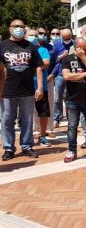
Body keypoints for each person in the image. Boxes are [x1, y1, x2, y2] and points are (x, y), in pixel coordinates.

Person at [0, 19, 43, 161]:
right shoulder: (2, 46)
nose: (19, 28)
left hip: (27, 89)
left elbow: (38, 67)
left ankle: (26, 146)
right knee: (7, 120)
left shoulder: (31, 46)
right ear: (9, 28)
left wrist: (40, 87)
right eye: (16, 26)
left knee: (27, 120)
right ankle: (8, 148)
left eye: (21, 26)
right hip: (7, 90)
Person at [62, 38, 86, 162]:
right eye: (82, 48)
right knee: (72, 126)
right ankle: (72, 151)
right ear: (76, 48)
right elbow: (67, 76)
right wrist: (85, 74)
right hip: (72, 100)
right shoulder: (67, 59)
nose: (85, 50)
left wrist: (84, 59)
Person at [26, 28, 52, 147]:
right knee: (26, 114)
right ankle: (27, 138)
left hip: (42, 87)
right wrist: (37, 65)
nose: (35, 37)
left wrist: (28, 65)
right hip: (25, 87)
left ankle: (42, 136)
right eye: (31, 35)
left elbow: (46, 63)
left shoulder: (43, 50)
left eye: (36, 35)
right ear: (26, 36)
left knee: (43, 113)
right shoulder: (22, 50)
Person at [52, 28, 74, 128]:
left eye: (68, 38)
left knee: (70, 97)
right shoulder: (56, 44)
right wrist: (62, 56)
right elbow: (53, 59)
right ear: (61, 37)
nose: (67, 40)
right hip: (60, 74)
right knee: (57, 98)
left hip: (71, 73)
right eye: (65, 39)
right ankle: (56, 118)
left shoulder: (74, 43)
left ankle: (71, 118)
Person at [36, 26, 56, 137]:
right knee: (33, 107)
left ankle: (49, 129)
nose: (41, 35)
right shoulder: (30, 46)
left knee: (49, 105)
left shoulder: (51, 48)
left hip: (48, 78)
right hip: (33, 80)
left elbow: (57, 63)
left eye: (44, 33)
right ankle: (36, 129)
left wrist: (52, 75)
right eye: (39, 33)